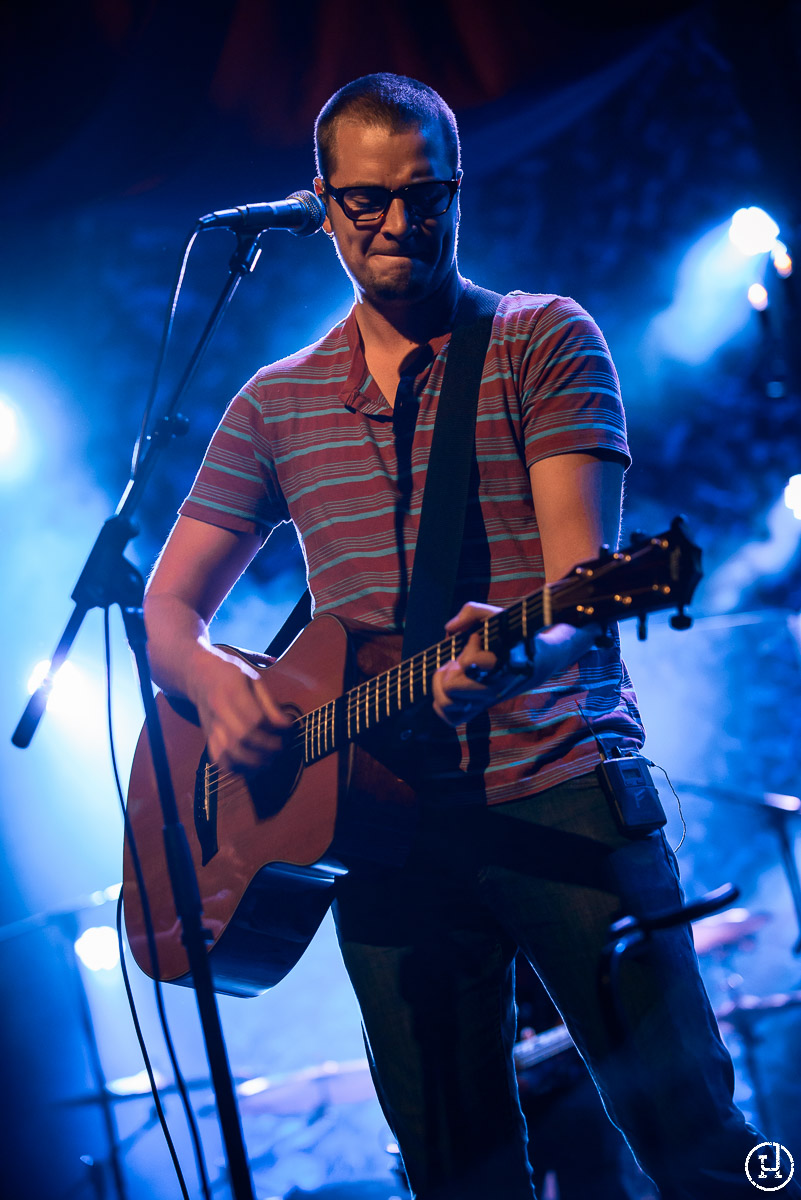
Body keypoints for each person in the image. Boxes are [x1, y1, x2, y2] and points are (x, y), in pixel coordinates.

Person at [143, 74, 796, 1200]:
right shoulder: (273, 402)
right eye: (365, 201)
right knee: (455, 1176)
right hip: (384, 835)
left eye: (426, 195)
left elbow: (583, 589)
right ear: (319, 200)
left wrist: (517, 646)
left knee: (698, 1148)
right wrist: (215, 680)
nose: (399, 224)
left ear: (458, 191)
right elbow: (166, 610)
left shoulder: (544, 340)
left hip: (560, 790)